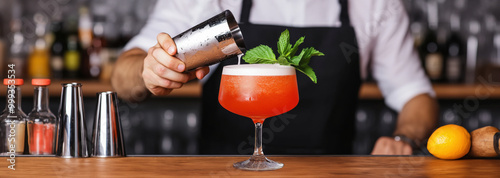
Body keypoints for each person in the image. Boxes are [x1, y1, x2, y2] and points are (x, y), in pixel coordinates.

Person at [111, 0, 438, 155]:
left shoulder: (375, 5)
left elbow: (416, 95)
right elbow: (123, 76)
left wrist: (404, 139)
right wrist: (149, 70)